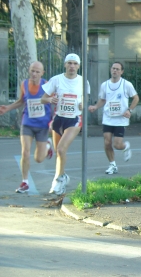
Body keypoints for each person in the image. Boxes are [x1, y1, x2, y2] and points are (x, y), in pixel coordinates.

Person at [41, 53, 90, 195]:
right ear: (65, 65)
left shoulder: (83, 81)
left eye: (75, 64)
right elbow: (42, 99)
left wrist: (82, 105)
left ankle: (59, 179)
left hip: (74, 119)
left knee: (61, 149)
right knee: (59, 153)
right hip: (59, 120)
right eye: (69, 63)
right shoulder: (56, 80)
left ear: (79, 66)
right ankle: (60, 177)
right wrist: (50, 100)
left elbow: (85, 100)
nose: (72, 66)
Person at [0, 61, 53, 193]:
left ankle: (47, 145)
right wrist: (8, 108)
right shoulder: (24, 84)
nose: (34, 74)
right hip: (27, 123)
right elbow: (21, 101)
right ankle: (25, 182)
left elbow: (53, 103)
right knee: (25, 151)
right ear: (29, 70)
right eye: (32, 71)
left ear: (42, 73)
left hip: (42, 125)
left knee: (39, 159)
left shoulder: (47, 85)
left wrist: (53, 120)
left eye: (37, 71)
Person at [88, 62, 139, 174]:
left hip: (120, 119)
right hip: (108, 118)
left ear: (121, 71)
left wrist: (129, 110)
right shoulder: (104, 85)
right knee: (107, 142)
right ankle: (112, 165)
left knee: (117, 144)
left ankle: (125, 146)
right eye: (113, 68)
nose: (115, 71)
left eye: (117, 69)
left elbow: (136, 98)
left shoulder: (126, 84)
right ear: (110, 70)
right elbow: (103, 100)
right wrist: (95, 107)